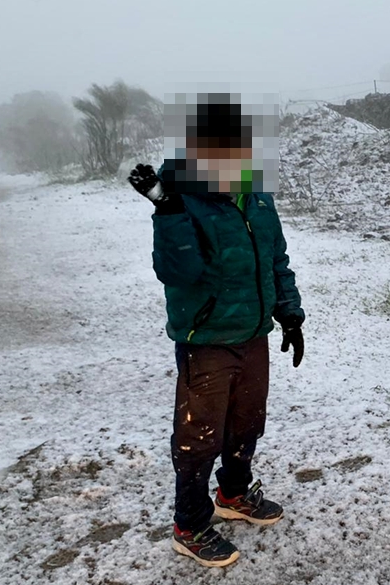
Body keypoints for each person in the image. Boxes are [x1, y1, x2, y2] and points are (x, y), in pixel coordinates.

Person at [127, 94, 305, 567]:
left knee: (247, 422)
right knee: (199, 436)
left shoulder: (256, 195)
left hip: (253, 332)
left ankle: (233, 494)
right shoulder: (183, 195)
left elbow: (275, 260)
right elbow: (178, 272)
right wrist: (165, 210)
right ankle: (189, 525)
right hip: (205, 339)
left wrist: (290, 313)